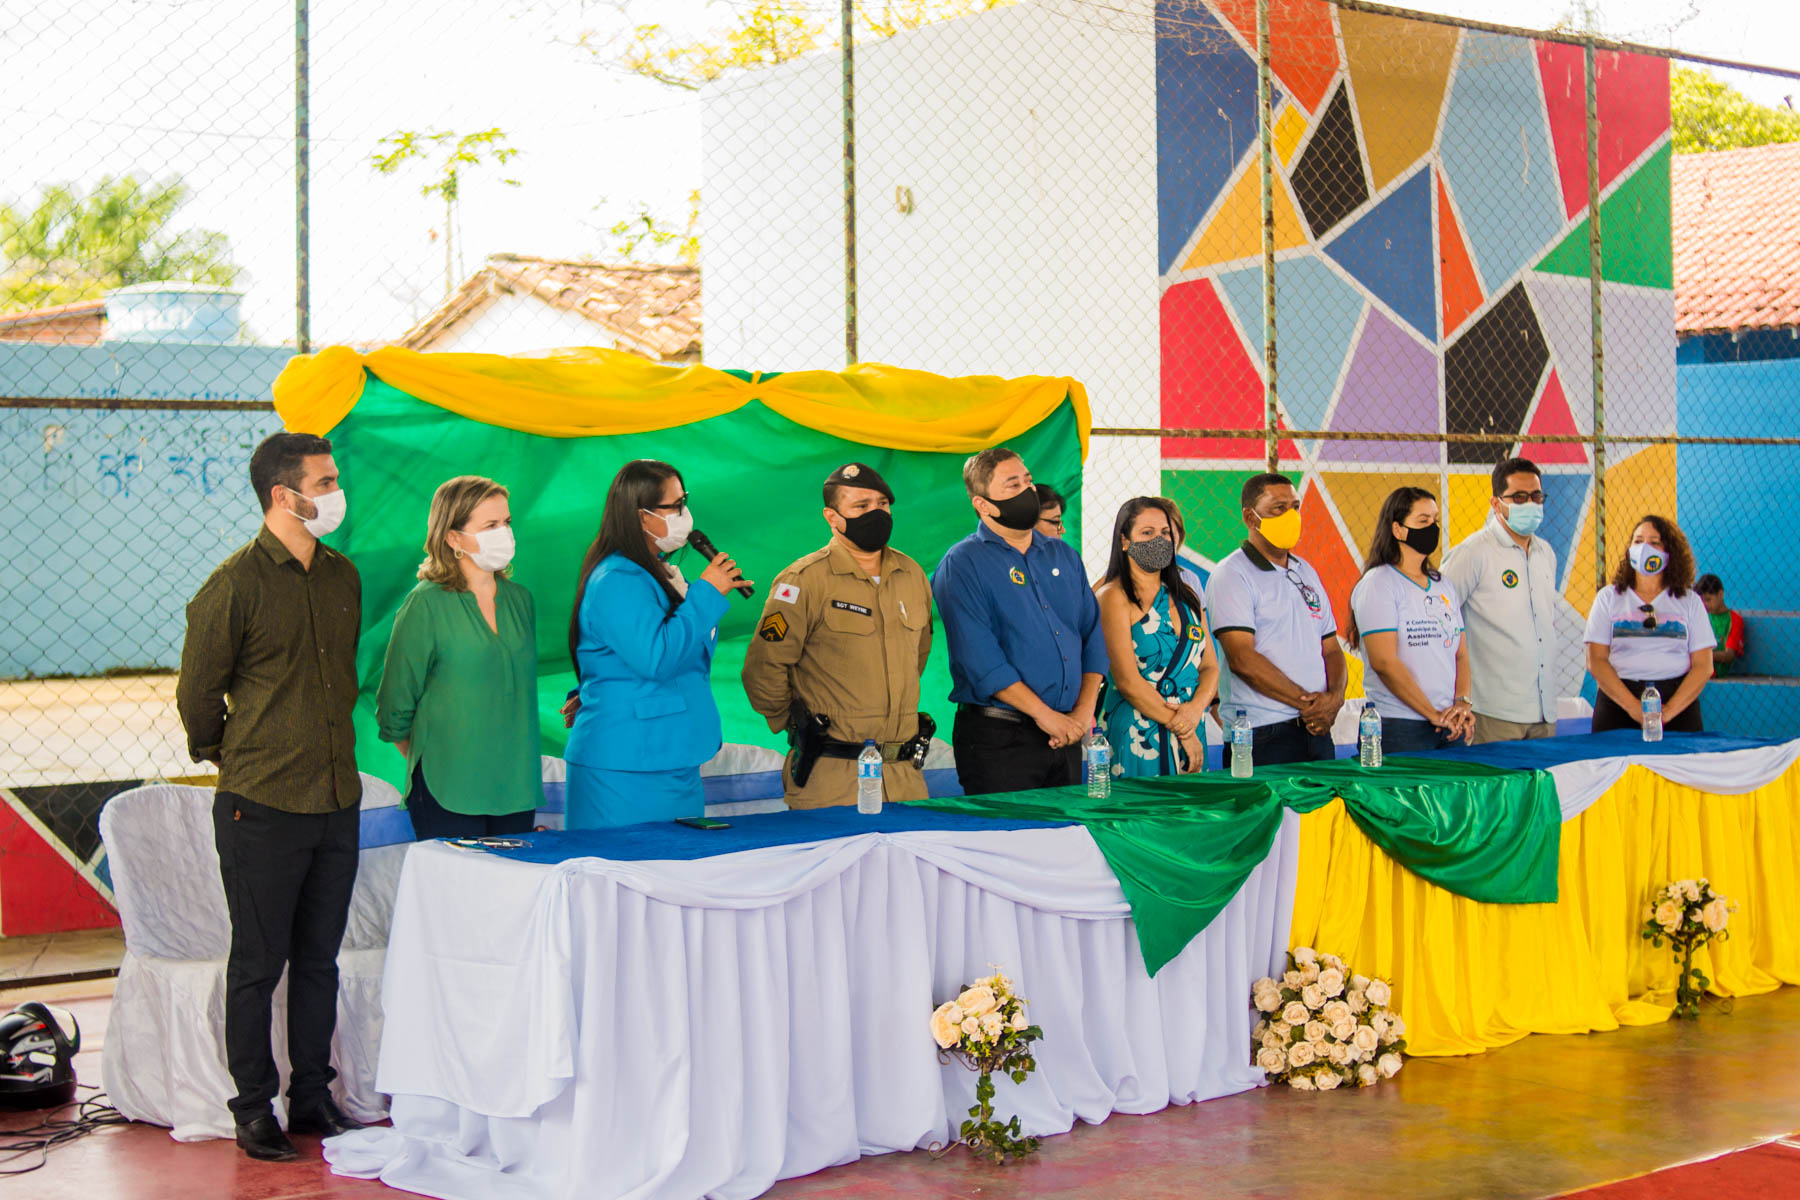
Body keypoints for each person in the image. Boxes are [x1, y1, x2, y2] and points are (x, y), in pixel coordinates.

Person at [175, 432, 364, 1161]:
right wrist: (232, 752)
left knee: (320, 959)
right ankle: (254, 1108)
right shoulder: (233, 586)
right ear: (286, 496)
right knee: (258, 964)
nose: (335, 492)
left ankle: (312, 1096)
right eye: (325, 480)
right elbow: (198, 696)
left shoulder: (342, 577)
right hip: (262, 802)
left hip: (334, 798)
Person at [564, 459, 750, 827]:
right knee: (624, 877)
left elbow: (629, 657)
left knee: (674, 879)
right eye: (675, 506)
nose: (686, 514)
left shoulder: (655, 572)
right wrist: (707, 594)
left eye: (685, 501)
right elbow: (657, 657)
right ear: (642, 516)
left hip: (669, 752)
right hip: (627, 764)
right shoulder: (617, 578)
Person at [742, 463, 936, 808]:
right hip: (832, 778)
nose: (875, 513)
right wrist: (797, 722)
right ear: (832, 517)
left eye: (882, 505)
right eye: (861, 507)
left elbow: (916, 658)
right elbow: (763, 668)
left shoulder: (912, 575)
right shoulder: (803, 581)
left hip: (905, 779)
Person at [376, 476, 544, 839]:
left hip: (516, 787)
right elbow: (394, 706)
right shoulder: (425, 604)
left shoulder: (521, 600)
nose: (504, 533)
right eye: (490, 525)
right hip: (447, 789)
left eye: (507, 523)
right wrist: (438, 760)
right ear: (453, 537)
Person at [932, 447, 1107, 795]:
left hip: (1067, 734)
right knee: (1008, 843)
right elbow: (981, 662)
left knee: (1066, 843)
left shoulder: (1064, 555)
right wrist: (1046, 716)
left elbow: (1093, 639)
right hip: (1001, 741)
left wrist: (1080, 715)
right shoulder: (963, 563)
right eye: (1012, 485)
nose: (1027, 491)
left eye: (1027, 481)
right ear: (983, 504)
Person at [1204, 472, 1346, 764]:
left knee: (1323, 811)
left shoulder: (1306, 571)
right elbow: (1242, 658)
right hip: (1261, 734)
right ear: (1250, 517)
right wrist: (1310, 706)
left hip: (1317, 729)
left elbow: (1331, 648)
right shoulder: (1231, 574)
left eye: (1294, 506)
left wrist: (1335, 700)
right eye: (1278, 508)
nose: (1291, 515)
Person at [1095, 497, 1219, 776]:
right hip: (1139, 732)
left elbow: (1210, 666)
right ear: (1125, 541)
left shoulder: (1187, 596)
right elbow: (1127, 682)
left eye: (1164, 533)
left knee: (1192, 815)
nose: (1159, 541)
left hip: (1191, 725)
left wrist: (1194, 711)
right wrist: (1182, 729)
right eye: (1147, 533)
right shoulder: (1113, 597)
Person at [1441, 457, 1560, 743]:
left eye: (1536, 496)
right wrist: (1460, 695)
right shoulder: (1473, 553)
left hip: (1544, 713)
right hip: (1492, 714)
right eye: (1519, 497)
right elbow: (1438, 618)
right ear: (1496, 504)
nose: (1530, 503)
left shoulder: (1547, 554)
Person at [1347, 487, 1475, 753]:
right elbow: (1384, 662)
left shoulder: (1443, 585)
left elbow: (1460, 654)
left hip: (1448, 725)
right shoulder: (1379, 583)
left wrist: (1462, 704)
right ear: (1398, 530)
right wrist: (1431, 713)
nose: (1432, 528)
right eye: (1423, 521)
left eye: (1435, 520)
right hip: (1400, 727)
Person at [1584, 515, 1714, 733]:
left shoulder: (1690, 601)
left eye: (1655, 542)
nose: (1645, 547)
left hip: (1677, 703)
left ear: (1669, 552)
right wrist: (1633, 707)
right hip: (1618, 702)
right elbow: (1596, 660)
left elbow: (1703, 666)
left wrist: (1668, 712)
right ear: (1629, 549)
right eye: (1638, 541)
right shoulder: (1608, 598)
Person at [1695, 574, 1746, 676]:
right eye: (1702, 601)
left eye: (1708, 599)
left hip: (1715, 669)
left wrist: (1702, 656)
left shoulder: (1734, 619)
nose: (1705, 604)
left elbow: (1729, 656)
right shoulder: (1701, 616)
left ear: (1721, 594)